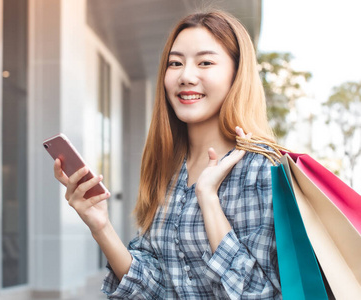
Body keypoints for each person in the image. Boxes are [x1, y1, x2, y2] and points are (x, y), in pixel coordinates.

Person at [53, 10, 282, 299]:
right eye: (175, 63)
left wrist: (208, 199)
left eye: (205, 62)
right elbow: (154, 288)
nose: (186, 76)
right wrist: (101, 226)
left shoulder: (262, 168)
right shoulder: (168, 168)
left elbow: (264, 294)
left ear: (237, 74)